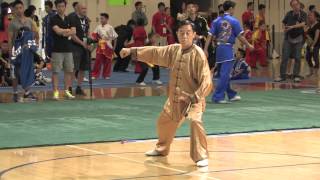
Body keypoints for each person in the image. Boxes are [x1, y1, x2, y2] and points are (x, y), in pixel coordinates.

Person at [120, 20, 213, 167]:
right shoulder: (174, 50)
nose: (184, 36)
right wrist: (132, 51)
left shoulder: (198, 54)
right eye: (181, 32)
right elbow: (155, 52)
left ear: (194, 35)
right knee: (163, 122)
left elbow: (206, 80)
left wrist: (194, 96)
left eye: (188, 33)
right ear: (177, 34)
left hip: (194, 99)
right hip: (175, 98)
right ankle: (162, 148)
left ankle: (201, 156)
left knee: (195, 121)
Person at [204, 0, 254, 104]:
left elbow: (209, 36)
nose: (234, 10)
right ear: (230, 8)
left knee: (223, 73)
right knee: (225, 75)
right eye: (234, 8)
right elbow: (240, 36)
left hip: (218, 49)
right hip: (227, 49)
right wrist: (248, 45)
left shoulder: (216, 21)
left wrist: (205, 49)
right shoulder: (234, 21)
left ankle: (231, 95)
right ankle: (217, 97)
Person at [8, 0, 39, 102]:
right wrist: (10, 54)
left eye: (20, 8)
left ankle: (27, 92)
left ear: (23, 8)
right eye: (16, 8)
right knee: (16, 72)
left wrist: (33, 45)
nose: (19, 10)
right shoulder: (12, 23)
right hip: (17, 50)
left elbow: (35, 34)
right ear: (14, 10)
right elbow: (10, 40)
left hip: (27, 51)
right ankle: (15, 92)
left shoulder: (30, 21)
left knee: (27, 70)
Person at [50, 0, 76, 100]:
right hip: (57, 49)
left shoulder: (70, 18)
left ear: (65, 7)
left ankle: (66, 91)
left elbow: (74, 31)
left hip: (68, 49)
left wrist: (65, 32)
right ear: (56, 7)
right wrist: (66, 31)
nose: (61, 8)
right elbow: (57, 31)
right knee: (56, 72)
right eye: (59, 6)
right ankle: (56, 92)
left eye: (63, 6)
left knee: (69, 71)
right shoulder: (53, 19)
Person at [275, 0, 307, 83]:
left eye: (296, 4)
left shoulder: (303, 14)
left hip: (299, 39)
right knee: (285, 57)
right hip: (288, 39)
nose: (295, 6)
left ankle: (296, 76)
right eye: (293, 5)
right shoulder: (289, 14)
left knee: (297, 58)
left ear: (299, 5)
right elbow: (283, 22)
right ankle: (282, 76)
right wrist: (283, 29)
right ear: (291, 7)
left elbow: (303, 23)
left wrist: (292, 27)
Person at [69, 2, 90, 95]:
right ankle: (69, 88)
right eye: (82, 9)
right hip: (75, 46)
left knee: (83, 68)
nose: (84, 10)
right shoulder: (73, 18)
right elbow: (73, 35)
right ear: (77, 9)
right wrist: (82, 43)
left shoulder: (86, 19)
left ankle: (79, 87)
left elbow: (87, 32)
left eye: (85, 8)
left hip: (84, 46)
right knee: (74, 68)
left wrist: (88, 43)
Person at [91, 13, 118, 80]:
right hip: (101, 44)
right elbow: (94, 35)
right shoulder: (98, 27)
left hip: (108, 45)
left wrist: (114, 47)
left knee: (108, 61)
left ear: (106, 19)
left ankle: (106, 75)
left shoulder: (110, 27)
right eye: (101, 18)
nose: (101, 20)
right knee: (98, 60)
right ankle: (95, 74)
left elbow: (115, 38)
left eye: (102, 18)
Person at [305, 11, 320, 77]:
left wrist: (313, 45)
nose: (309, 16)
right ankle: (311, 72)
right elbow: (306, 34)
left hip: (316, 44)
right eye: (308, 15)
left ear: (315, 17)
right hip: (309, 44)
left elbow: (316, 36)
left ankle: (316, 74)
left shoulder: (318, 25)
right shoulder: (310, 25)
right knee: (308, 58)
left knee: (315, 57)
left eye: (311, 15)